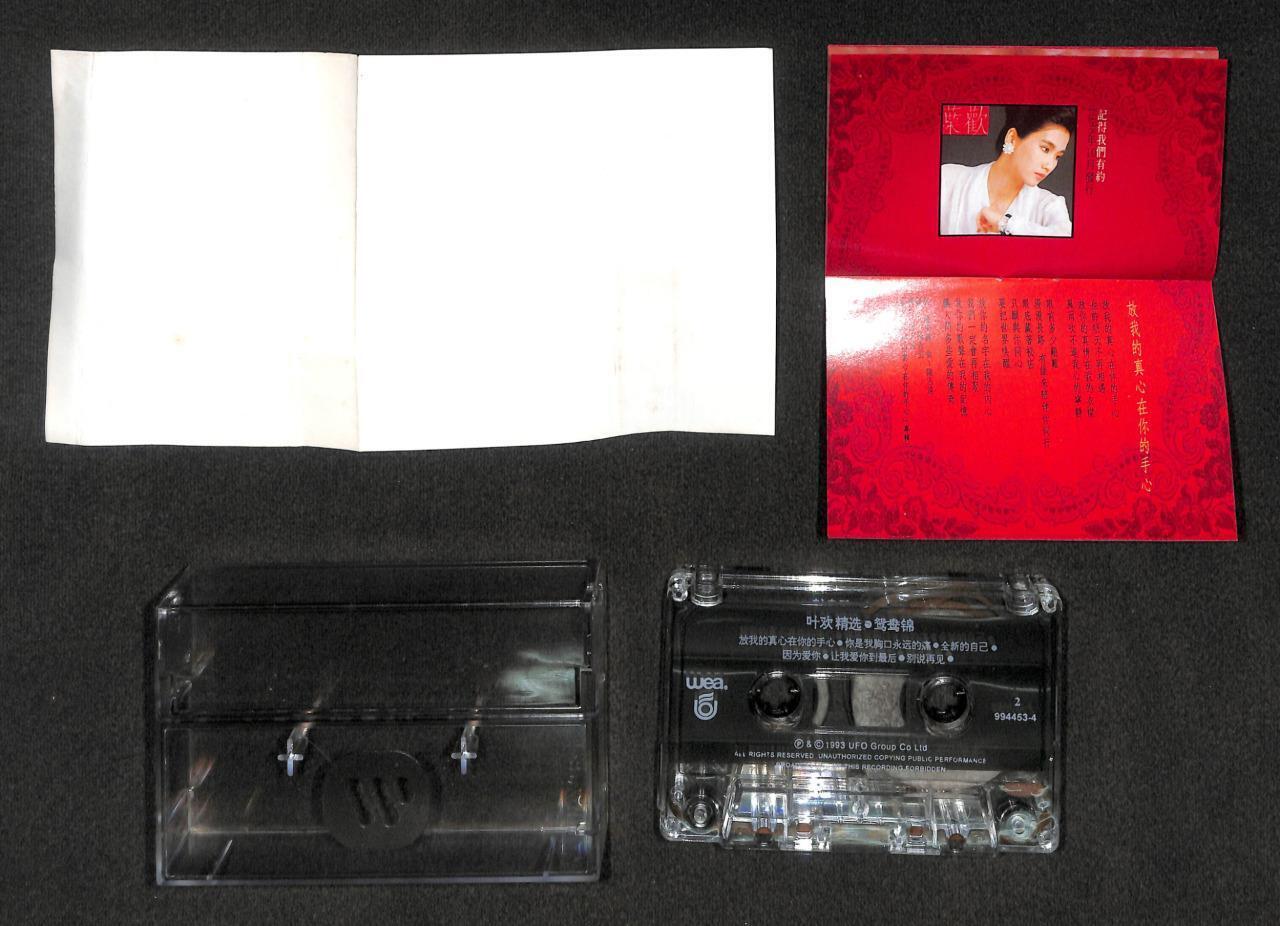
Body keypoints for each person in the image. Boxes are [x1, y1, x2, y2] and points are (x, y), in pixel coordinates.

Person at [940, 105, 1075, 236]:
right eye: (1045, 149)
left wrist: (1005, 223)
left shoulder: (1049, 205)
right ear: (1012, 138)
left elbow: (1066, 239)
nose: (1049, 165)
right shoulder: (948, 181)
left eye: (1057, 156)